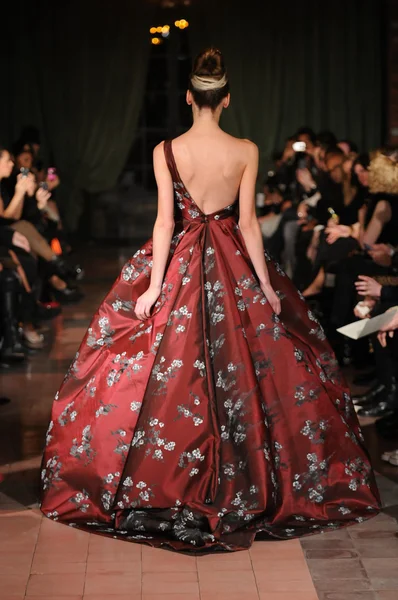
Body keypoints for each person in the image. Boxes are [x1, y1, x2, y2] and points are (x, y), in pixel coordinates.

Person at [40, 48, 380, 553]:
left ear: (188, 97)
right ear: (226, 100)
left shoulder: (166, 150)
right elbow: (246, 224)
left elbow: (164, 223)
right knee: (247, 368)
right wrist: (264, 286)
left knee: (171, 369)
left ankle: (165, 475)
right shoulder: (245, 149)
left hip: (179, 262)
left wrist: (154, 287)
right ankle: (251, 475)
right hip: (232, 263)